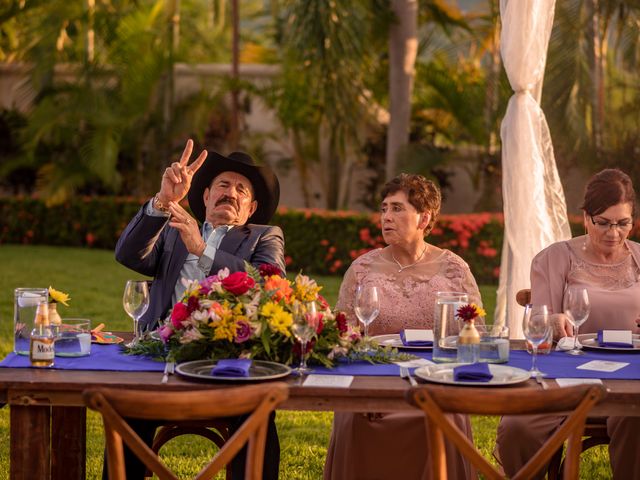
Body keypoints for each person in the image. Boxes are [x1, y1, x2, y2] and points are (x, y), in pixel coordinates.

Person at [114, 139, 285, 480]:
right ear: (205, 196)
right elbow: (128, 255)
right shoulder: (174, 229)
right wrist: (163, 201)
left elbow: (269, 283)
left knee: (259, 419)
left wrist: (203, 249)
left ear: (250, 208)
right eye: (223, 185)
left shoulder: (264, 236)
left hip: (229, 358)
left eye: (241, 189)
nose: (230, 193)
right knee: (124, 414)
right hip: (159, 352)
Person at [324, 173, 481, 480]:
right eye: (384, 209)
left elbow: (472, 335)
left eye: (397, 209)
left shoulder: (454, 268)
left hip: (436, 383)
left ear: (424, 217)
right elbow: (341, 335)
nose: (386, 217)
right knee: (355, 420)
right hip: (372, 380)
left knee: (441, 418)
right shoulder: (362, 269)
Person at [496, 168, 640, 479]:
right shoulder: (554, 258)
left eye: (623, 223)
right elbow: (536, 324)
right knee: (516, 427)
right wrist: (552, 319)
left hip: (632, 380)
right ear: (587, 217)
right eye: (604, 223)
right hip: (566, 377)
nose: (614, 233)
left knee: (636, 419)